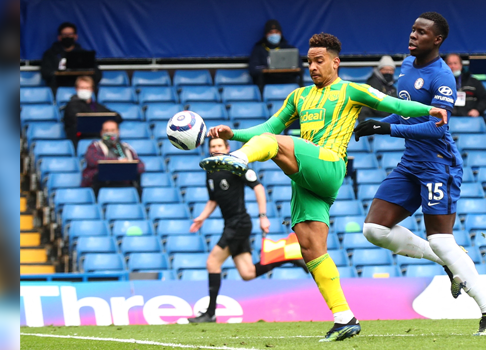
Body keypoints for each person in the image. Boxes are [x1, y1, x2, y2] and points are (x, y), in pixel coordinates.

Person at [199, 33, 447, 341]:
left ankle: (238, 161)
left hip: (328, 164)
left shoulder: (352, 90)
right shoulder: (298, 97)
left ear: (335, 61)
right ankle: (344, 318)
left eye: (319, 61)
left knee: (273, 145)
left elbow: (393, 103)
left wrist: (429, 110)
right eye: (309, 62)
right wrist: (232, 132)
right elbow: (268, 128)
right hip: (305, 174)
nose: (313, 67)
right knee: (309, 247)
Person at [353, 12, 486, 336]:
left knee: (441, 238)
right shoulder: (407, 68)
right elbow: (406, 107)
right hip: (411, 163)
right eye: (412, 30)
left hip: (438, 163)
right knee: (374, 230)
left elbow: (438, 127)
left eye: (421, 33)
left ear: (437, 40)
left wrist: (387, 129)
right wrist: (376, 116)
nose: (412, 36)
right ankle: (445, 261)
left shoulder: (443, 76)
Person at [187, 137, 307, 323]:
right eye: (213, 146)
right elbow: (213, 200)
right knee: (247, 273)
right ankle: (288, 256)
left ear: (227, 148)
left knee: (212, 263)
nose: (216, 148)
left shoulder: (237, 166)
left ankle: (210, 314)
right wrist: (202, 218)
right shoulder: (210, 171)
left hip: (239, 224)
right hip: (231, 224)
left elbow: (258, 188)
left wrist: (263, 216)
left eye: (220, 145)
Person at [81, 120, 144, 195]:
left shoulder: (126, 147)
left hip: (124, 183)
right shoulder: (95, 146)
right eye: (106, 130)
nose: (109, 133)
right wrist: (118, 162)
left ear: (118, 132)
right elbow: (92, 160)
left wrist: (128, 168)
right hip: (102, 185)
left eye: (112, 130)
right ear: (101, 132)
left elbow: (141, 166)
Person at [40, 22, 101, 91]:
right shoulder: (50, 54)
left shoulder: (85, 55)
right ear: (59, 37)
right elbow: (45, 74)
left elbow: (97, 75)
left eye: (70, 34)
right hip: (58, 89)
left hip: (81, 90)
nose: (68, 37)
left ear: (75, 36)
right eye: (64, 34)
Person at [64, 76, 122, 148]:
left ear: (92, 89)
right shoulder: (71, 106)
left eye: (87, 88)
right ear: (76, 89)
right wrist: (101, 122)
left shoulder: (96, 106)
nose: (85, 90)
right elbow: (80, 123)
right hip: (80, 141)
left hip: (100, 140)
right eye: (82, 88)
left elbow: (117, 116)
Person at [248, 19, 302, 87]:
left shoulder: (290, 49)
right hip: (267, 83)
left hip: (288, 81)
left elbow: (300, 68)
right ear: (266, 34)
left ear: (280, 33)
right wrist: (265, 69)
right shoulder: (258, 49)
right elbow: (253, 69)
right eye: (271, 32)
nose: (274, 35)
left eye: (276, 32)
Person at [359, 55, 398, 121]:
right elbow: (374, 102)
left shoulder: (390, 85)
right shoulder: (373, 82)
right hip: (372, 113)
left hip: (385, 112)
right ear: (380, 70)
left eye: (391, 70)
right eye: (386, 70)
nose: (388, 72)